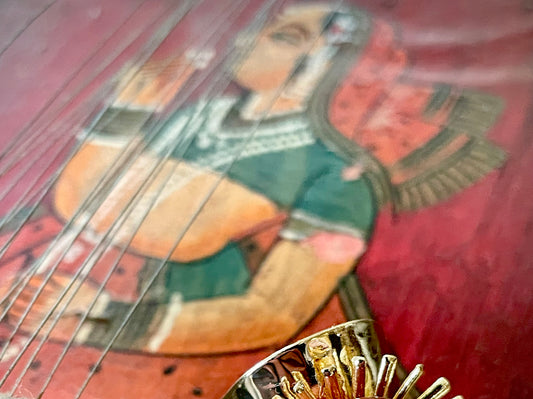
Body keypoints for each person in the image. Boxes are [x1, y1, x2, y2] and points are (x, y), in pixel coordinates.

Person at [2, 4, 505, 355]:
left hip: (149, 345)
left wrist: (100, 316)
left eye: (281, 37)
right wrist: (126, 113)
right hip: (44, 290)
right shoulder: (200, 116)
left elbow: (275, 311)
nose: (246, 38)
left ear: (324, 70)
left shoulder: (337, 175)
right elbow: (81, 202)